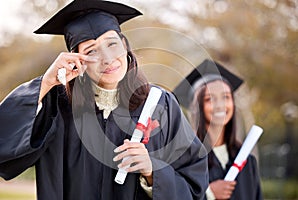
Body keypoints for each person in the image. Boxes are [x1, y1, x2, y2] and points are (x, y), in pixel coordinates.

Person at [0, 0, 209, 199]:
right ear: (76, 60)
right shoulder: (57, 107)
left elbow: (194, 185)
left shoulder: (161, 105)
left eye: (112, 44)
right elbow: (4, 149)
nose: (107, 58)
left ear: (125, 45)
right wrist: (45, 83)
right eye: (91, 51)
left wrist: (153, 171)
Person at [173, 59, 263, 200]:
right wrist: (208, 193)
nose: (220, 105)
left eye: (226, 97)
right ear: (197, 107)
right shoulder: (184, 158)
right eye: (210, 99)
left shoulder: (247, 160)